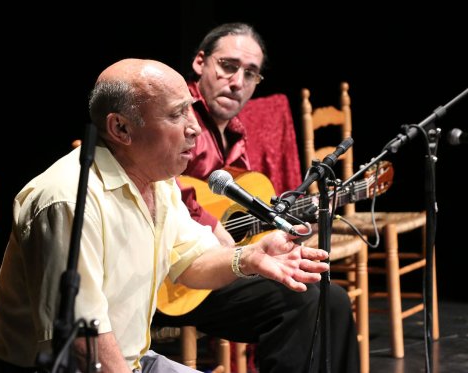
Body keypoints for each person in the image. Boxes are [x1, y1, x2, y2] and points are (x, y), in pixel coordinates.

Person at [0, 58, 330, 373]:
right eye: (176, 114)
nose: (194, 128)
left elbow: (190, 263)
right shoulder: (66, 201)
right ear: (120, 128)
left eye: (190, 109)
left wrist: (249, 257)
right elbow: (82, 339)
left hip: (131, 361)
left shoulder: (158, 182)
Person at [152, 23, 361, 373]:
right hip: (175, 276)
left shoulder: (235, 133)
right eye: (228, 66)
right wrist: (213, 225)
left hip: (223, 269)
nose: (237, 82)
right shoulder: (177, 112)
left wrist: (278, 230)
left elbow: (241, 216)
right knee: (304, 301)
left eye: (250, 74)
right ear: (200, 62)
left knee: (331, 297)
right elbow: (159, 179)